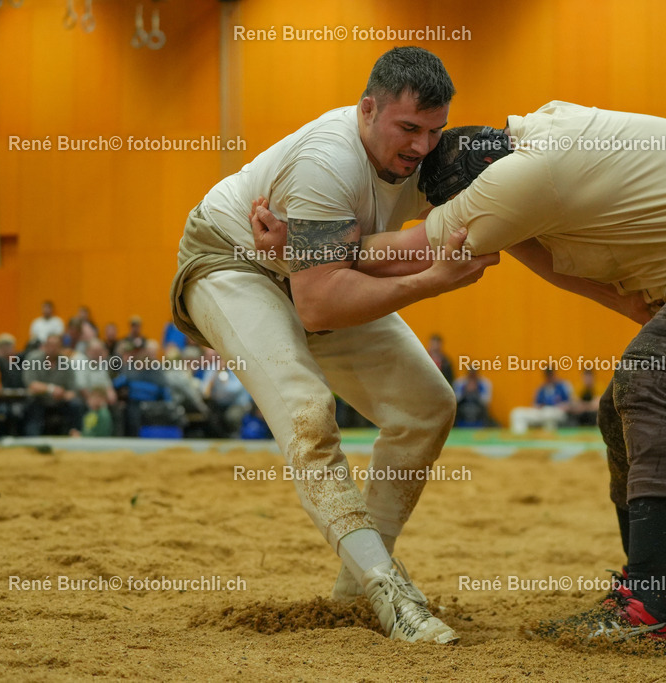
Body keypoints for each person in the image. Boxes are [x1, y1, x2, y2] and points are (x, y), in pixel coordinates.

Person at [252, 101, 666, 645]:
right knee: (621, 405)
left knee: (653, 378)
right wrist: (627, 306)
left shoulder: (516, 181)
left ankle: (642, 610)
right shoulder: (538, 136)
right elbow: (534, 249)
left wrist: (306, 246)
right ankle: (652, 588)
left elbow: (424, 250)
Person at [169, 47, 496, 645]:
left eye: (435, 131)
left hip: (314, 267)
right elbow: (319, 302)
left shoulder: (433, 162)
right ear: (367, 108)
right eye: (408, 128)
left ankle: (355, 587)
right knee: (307, 412)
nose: (424, 147)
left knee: (428, 406)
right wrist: (428, 280)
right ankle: (386, 589)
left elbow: (391, 251)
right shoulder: (329, 162)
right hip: (234, 263)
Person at [509, 368, 574, 434]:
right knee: (517, 413)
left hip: (558, 412)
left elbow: (571, 402)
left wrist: (564, 406)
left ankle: (548, 438)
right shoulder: (542, 388)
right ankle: (519, 438)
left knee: (549, 413)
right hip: (543, 412)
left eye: (551, 375)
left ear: (554, 375)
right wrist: (538, 406)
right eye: (547, 376)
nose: (549, 378)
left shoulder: (564, 386)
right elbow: (536, 404)